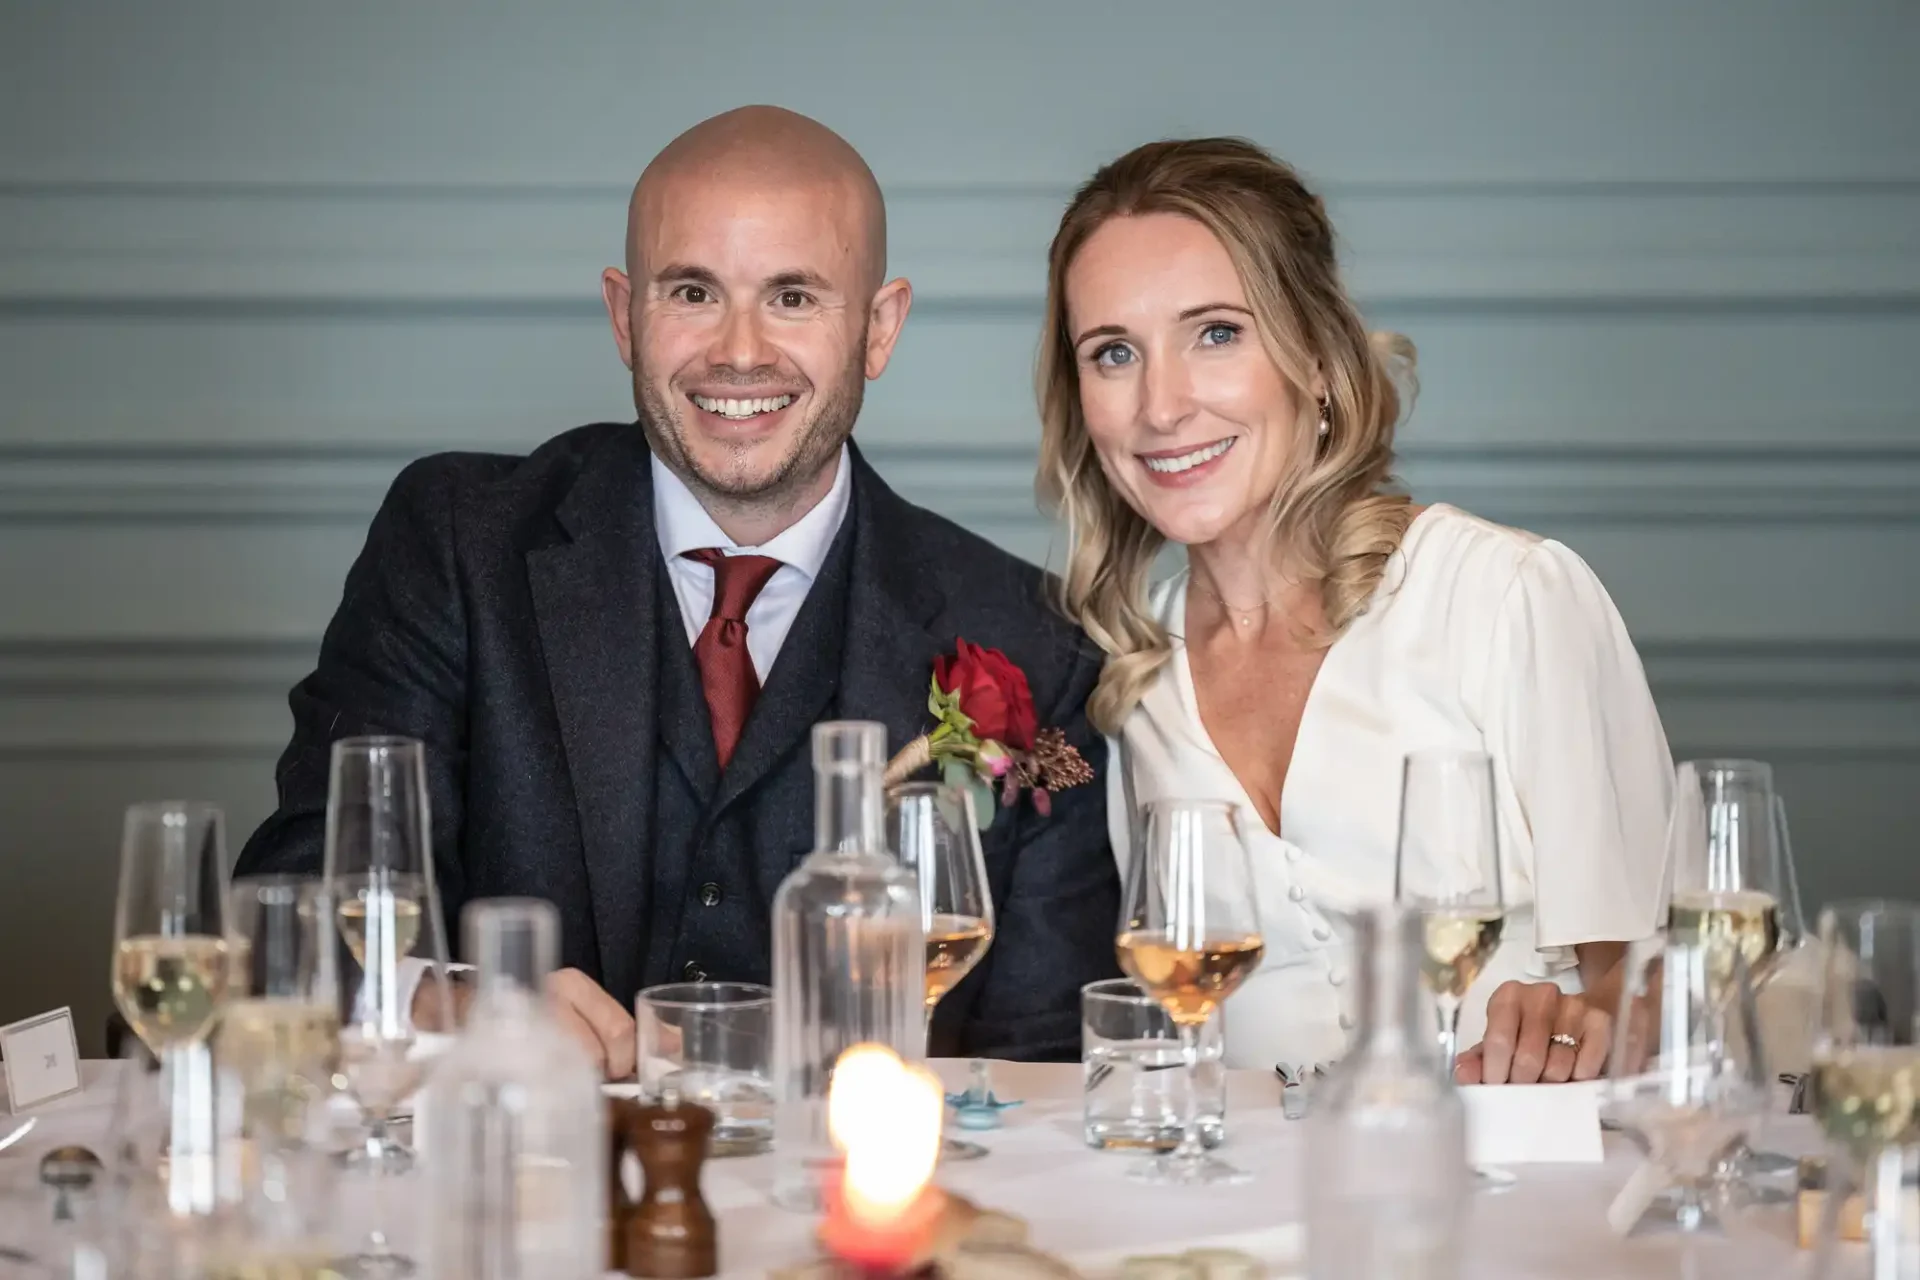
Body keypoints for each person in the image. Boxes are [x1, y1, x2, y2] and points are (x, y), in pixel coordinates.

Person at [233, 105, 1120, 1073]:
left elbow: (1044, 1061)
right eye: (692, 290)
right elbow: (290, 919)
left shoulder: (1033, 640)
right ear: (624, 315)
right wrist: (453, 1002)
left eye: (793, 297)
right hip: (526, 1186)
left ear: (878, 328)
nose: (739, 352)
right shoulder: (457, 542)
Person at [1035, 137, 1672, 1083]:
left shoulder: (1505, 599)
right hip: (1251, 1215)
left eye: (1216, 332)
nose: (1160, 406)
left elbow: (1668, 985)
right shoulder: (1135, 683)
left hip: (1518, 1196)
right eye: (1114, 353)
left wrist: (1577, 1030)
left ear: (1320, 360)